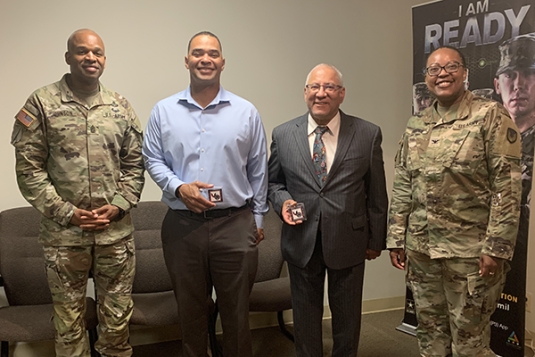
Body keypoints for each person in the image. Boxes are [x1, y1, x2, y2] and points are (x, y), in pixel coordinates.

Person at [11, 29, 145, 357]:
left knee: (116, 323)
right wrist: (67, 213)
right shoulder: (42, 102)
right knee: (69, 323)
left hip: (114, 235)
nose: (91, 58)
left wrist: (118, 206)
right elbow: (29, 170)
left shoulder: (120, 106)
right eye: (82, 52)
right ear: (68, 57)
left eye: (97, 53)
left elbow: (135, 166)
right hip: (64, 237)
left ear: (104, 59)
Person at [387, 46, 522, 356]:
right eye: (434, 70)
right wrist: (396, 238)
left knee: (469, 340)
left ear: (465, 73)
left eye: (450, 67)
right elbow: (404, 182)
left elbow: (508, 188)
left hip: (470, 254)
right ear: (426, 78)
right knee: (430, 334)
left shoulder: (490, 116)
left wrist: (497, 247)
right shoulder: (417, 123)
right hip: (422, 250)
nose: (442, 74)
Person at [142, 31, 268, 357]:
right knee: (190, 313)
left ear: (222, 63)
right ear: (187, 61)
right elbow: (152, 159)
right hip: (182, 226)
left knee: (237, 314)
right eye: (198, 53)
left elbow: (258, 170)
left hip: (235, 224)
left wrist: (256, 218)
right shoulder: (163, 111)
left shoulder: (246, 112)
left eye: (212, 54)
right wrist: (178, 187)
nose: (205, 59)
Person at [268, 63, 388, 357]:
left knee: (347, 319)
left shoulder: (367, 133)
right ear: (305, 92)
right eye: (315, 87)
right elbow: (272, 183)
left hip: (349, 240)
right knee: (305, 318)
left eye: (329, 87)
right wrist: (283, 201)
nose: (321, 94)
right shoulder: (283, 134)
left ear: (342, 94)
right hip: (301, 239)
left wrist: (377, 240)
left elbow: (376, 193)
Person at [494, 33, 535, 241]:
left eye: (528, 73)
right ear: (497, 85)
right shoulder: (482, 138)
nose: (518, 85)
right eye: (510, 75)